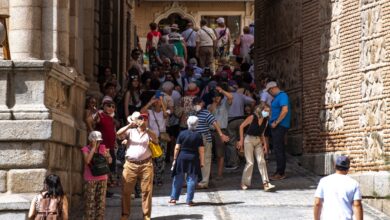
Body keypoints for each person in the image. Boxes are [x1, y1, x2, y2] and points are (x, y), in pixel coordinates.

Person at [117, 111, 158, 220]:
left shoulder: (149, 132)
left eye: (145, 119)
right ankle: (125, 214)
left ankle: (146, 216)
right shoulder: (130, 131)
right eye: (140, 118)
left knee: (147, 191)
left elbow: (156, 140)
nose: (142, 121)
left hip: (146, 164)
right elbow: (118, 133)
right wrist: (130, 125)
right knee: (126, 191)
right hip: (130, 165)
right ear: (136, 120)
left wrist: (147, 129)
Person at [191, 97, 229, 188]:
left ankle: (204, 182)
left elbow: (214, 123)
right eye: (195, 104)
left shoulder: (206, 113)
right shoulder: (192, 113)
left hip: (204, 138)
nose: (197, 106)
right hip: (194, 138)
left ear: (201, 104)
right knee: (193, 159)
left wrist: (221, 135)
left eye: (198, 104)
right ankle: (192, 180)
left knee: (206, 160)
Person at [237, 104, 275, 192]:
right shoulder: (252, 117)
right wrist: (241, 140)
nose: (267, 113)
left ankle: (266, 183)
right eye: (266, 111)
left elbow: (262, 134)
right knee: (250, 162)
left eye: (269, 111)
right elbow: (241, 126)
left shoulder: (265, 121)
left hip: (258, 140)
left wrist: (265, 144)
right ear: (260, 110)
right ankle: (244, 183)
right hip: (249, 139)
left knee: (262, 161)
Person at [169, 116, 205, 206]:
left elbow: (177, 148)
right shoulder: (198, 135)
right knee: (191, 179)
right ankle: (189, 201)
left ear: (187, 123)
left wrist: (174, 159)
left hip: (181, 157)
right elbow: (201, 150)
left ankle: (173, 198)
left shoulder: (182, 133)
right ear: (197, 125)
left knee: (178, 178)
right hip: (193, 158)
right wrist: (202, 162)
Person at [314, 155, 363, 220]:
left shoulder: (324, 181)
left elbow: (317, 203)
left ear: (335, 166)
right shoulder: (354, 183)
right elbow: (357, 205)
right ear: (348, 168)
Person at [81, 131, 112, 220]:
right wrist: (93, 148)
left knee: (101, 203)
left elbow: (110, 161)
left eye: (99, 141)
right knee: (89, 202)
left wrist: (108, 155)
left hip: (103, 178)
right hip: (90, 179)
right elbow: (87, 161)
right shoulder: (85, 149)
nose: (98, 143)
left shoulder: (103, 148)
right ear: (91, 140)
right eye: (96, 141)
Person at [225, 80, 255, 170]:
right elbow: (252, 101)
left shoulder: (226, 96)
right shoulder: (241, 96)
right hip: (241, 119)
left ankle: (234, 163)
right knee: (243, 139)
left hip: (231, 121)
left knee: (232, 142)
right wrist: (252, 113)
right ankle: (247, 159)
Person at [141, 96, 170, 186]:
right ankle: (152, 178)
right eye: (156, 101)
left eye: (159, 102)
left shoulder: (166, 111)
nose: (157, 103)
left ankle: (159, 178)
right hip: (151, 139)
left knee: (161, 159)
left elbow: (165, 115)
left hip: (161, 139)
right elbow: (141, 112)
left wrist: (162, 103)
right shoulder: (149, 112)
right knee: (151, 159)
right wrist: (150, 101)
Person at [265, 81, 291, 181]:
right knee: (277, 149)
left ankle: (280, 173)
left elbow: (285, 110)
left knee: (279, 149)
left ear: (273, 88)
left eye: (268, 91)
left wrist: (276, 122)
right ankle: (279, 171)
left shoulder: (282, 95)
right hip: (276, 126)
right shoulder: (276, 98)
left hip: (280, 126)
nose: (268, 93)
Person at [207, 86, 233, 179]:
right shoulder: (210, 106)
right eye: (214, 97)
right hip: (211, 131)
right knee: (209, 153)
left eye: (218, 96)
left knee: (220, 154)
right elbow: (210, 111)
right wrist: (215, 102)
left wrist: (222, 91)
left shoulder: (225, 104)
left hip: (222, 131)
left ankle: (219, 174)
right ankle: (208, 174)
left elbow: (230, 97)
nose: (216, 98)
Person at [95, 96, 117, 187]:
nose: (111, 108)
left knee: (110, 167)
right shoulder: (100, 116)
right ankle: (103, 188)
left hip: (111, 146)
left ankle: (106, 188)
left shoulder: (111, 118)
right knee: (103, 167)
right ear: (103, 106)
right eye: (108, 106)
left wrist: (115, 141)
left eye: (113, 106)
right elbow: (90, 120)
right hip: (103, 147)